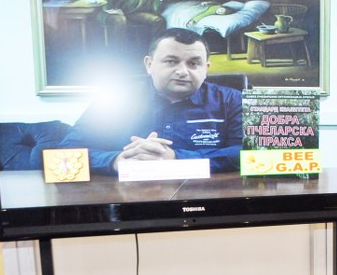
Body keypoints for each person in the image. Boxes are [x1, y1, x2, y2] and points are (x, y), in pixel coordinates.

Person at [58, 27, 243, 174]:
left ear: (206, 68)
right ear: (149, 64)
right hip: (127, 200)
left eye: (193, 63)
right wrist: (115, 160)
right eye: (171, 61)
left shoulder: (232, 100)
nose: (183, 71)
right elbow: (64, 154)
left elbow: (250, 154)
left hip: (206, 199)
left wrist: (177, 158)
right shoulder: (113, 101)